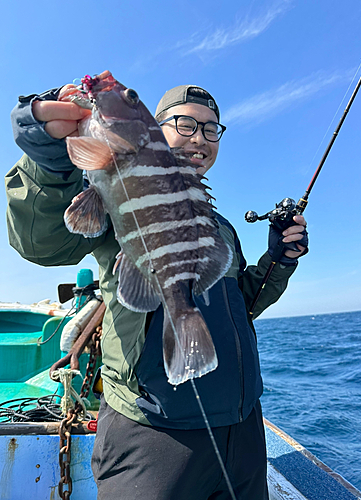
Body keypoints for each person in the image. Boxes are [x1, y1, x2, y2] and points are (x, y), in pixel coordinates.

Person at [6, 79, 308, 500]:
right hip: (151, 431)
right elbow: (41, 240)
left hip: (242, 427)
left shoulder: (219, 228)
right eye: (185, 124)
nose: (200, 137)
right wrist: (46, 157)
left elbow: (241, 305)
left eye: (211, 129)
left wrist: (278, 260)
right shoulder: (116, 184)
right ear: (157, 128)